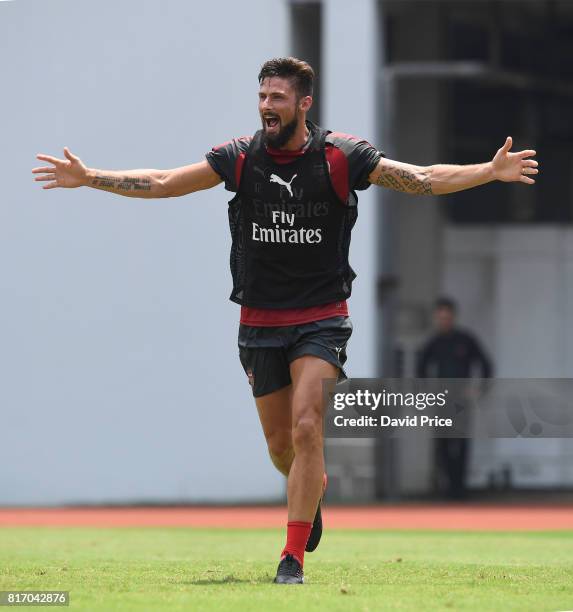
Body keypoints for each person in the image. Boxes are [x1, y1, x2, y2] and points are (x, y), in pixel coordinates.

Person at [32, 57, 537, 584]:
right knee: (282, 448)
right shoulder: (240, 158)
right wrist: (90, 177)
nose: (266, 106)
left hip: (322, 318)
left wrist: (488, 171)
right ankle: (309, 488)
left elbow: (421, 178)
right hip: (259, 321)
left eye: (277, 97)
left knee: (306, 424)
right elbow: (163, 181)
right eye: (262, 96)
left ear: (303, 104)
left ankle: (290, 558)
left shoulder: (342, 156)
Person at [416, 297, 493, 499]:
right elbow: (420, 369)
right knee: (442, 445)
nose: (444, 321)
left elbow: (485, 364)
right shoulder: (433, 343)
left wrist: (480, 389)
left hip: (461, 401)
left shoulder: (465, 340)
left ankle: (460, 488)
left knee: (461, 443)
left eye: (447, 317)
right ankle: (447, 487)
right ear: (436, 319)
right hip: (441, 401)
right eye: (440, 318)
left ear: (453, 317)